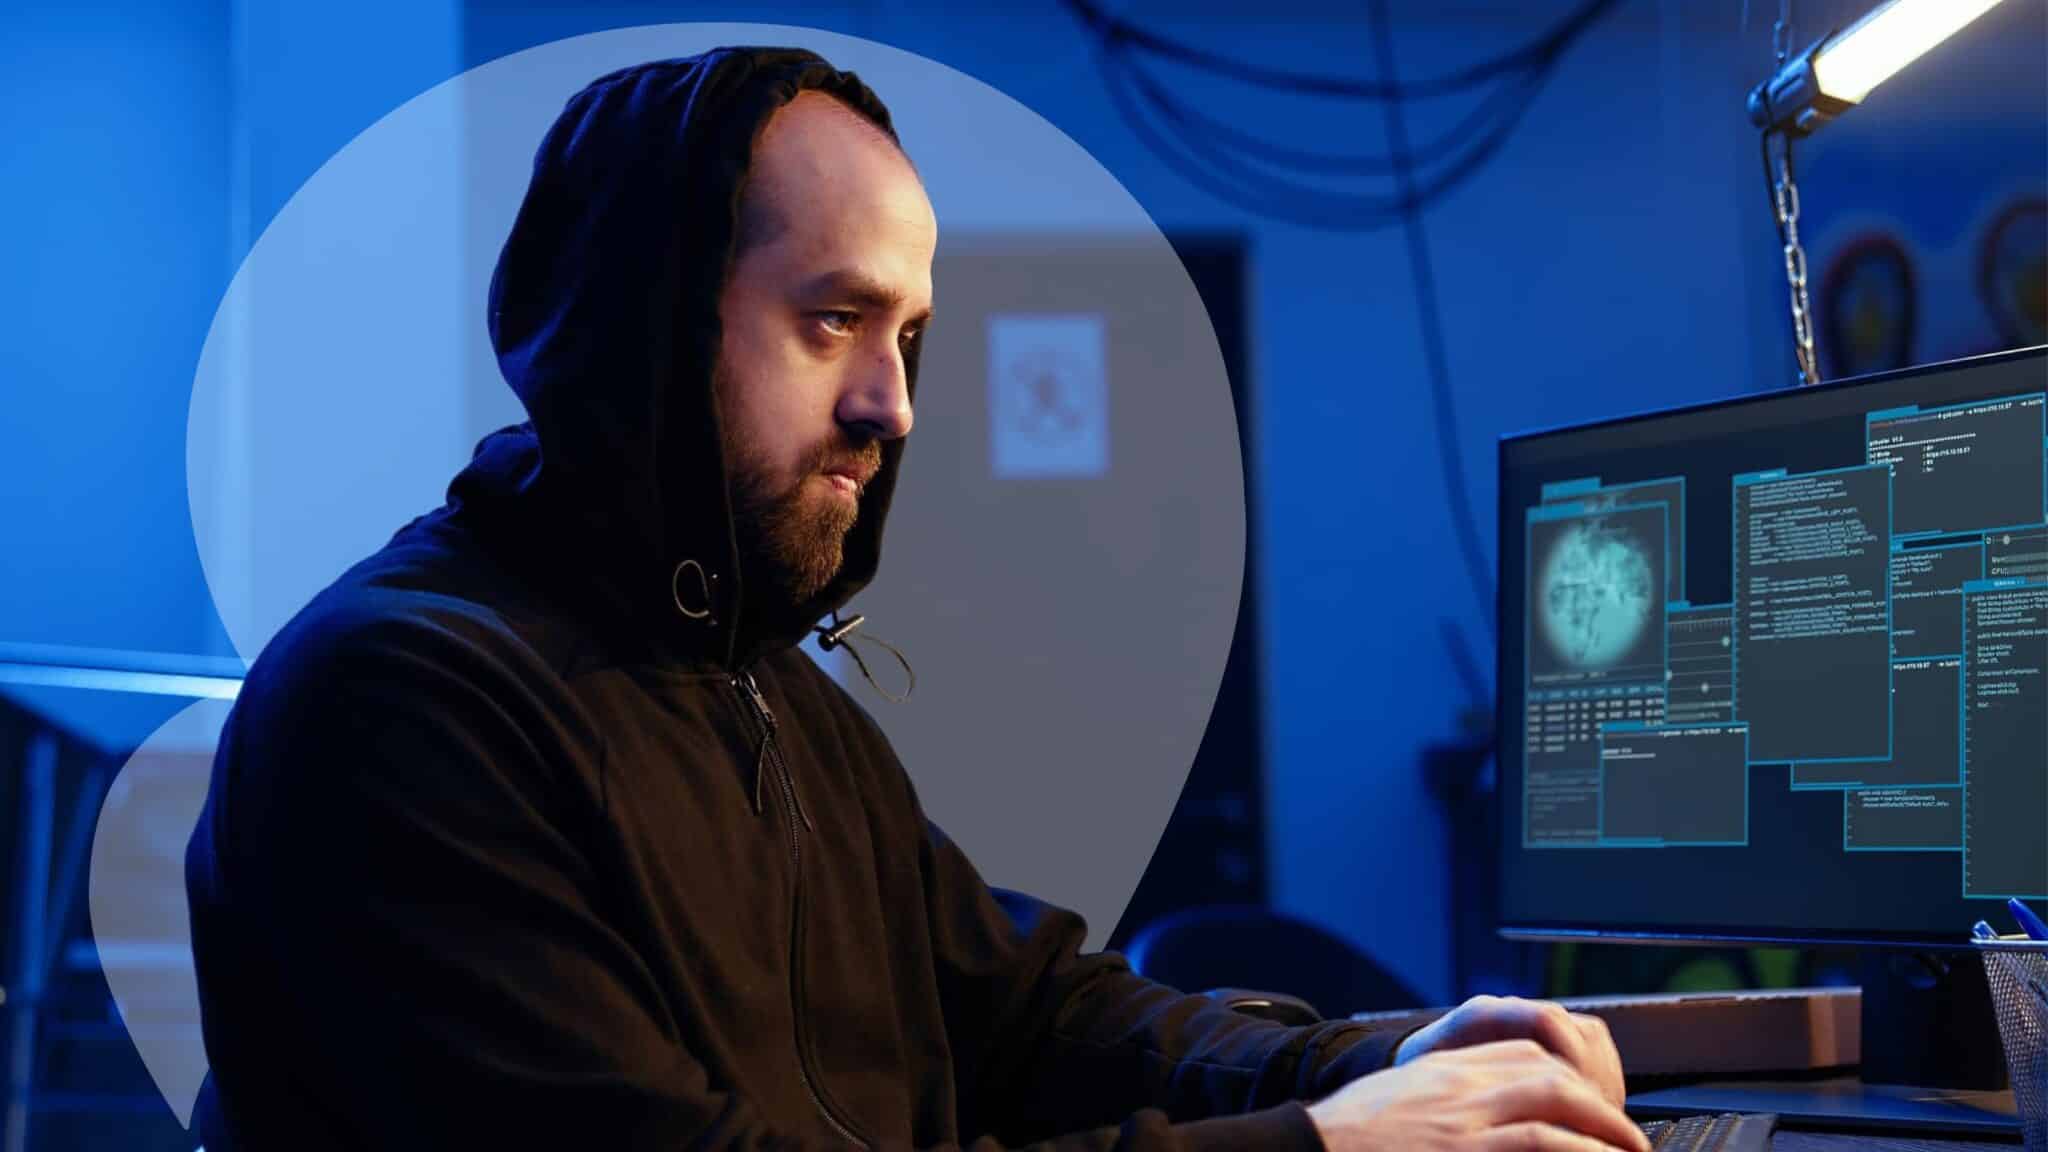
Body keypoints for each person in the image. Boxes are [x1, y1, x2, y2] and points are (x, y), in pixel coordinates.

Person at [185, 47, 1647, 1152]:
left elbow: (1032, 1012)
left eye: (910, 333)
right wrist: (1323, 1146)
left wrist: (1374, 1062)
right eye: (833, 320)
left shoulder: (764, 694)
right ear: (646, 324)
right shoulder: (403, 706)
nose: (892, 404)